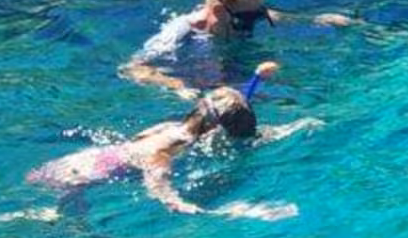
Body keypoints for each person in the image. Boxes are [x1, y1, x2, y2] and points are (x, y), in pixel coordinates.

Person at [27, 62, 314, 221]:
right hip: (70, 183)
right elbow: (161, 195)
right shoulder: (161, 154)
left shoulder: (168, 128)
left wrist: (289, 126)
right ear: (215, 132)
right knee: (71, 229)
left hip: (62, 166)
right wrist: (209, 210)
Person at [121, 0, 352, 97]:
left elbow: (268, 14)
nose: (256, 18)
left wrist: (317, 20)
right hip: (193, 76)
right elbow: (131, 68)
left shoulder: (246, 12)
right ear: (220, 11)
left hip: (232, 63)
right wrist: (175, 85)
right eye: (249, 16)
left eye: (257, 13)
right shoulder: (181, 31)